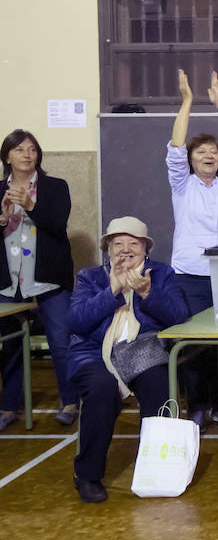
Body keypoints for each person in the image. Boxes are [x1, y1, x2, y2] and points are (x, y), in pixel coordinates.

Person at [67, 216, 189, 502]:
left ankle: (157, 469)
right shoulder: (90, 277)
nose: (125, 249)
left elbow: (180, 318)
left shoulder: (161, 274)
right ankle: (87, 475)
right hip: (94, 352)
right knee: (100, 390)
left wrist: (147, 292)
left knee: (160, 385)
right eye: (117, 243)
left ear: (145, 248)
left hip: (143, 348)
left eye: (133, 243)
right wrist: (112, 290)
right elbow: (76, 322)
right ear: (107, 249)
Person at [167, 69, 218, 430]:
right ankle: (197, 407)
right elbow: (174, 146)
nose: (210, 155)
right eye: (201, 152)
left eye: (214, 152)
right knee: (194, 345)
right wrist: (187, 101)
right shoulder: (182, 186)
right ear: (191, 159)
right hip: (189, 276)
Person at [0, 129, 78, 432]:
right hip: (8, 281)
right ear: (7, 156)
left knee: (61, 342)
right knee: (10, 345)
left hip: (48, 278)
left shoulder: (55, 187)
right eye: (20, 149)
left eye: (32, 149)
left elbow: (59, 227)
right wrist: (3, 219)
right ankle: (9, 405)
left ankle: (70, 401)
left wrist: (31, 207)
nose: (27, 154)